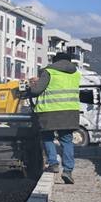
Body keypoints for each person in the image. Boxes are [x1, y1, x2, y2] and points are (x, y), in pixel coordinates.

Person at [27, 52, 82, 184]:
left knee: (47, 137)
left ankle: (53, 164)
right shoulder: (76, 73)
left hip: (50, 111)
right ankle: (68, 170)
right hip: (70, 112)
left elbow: (36, 91)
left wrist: (32, 85)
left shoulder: (49, 71)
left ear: (55, 61)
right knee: (67, 140)